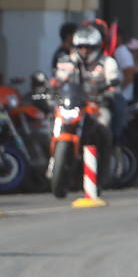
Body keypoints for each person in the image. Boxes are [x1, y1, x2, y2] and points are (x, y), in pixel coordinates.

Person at [51, 24, 121, 173]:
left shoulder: (107, 63)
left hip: (97, 105)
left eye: (88, 47)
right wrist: (50, 89)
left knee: (104, 125)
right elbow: (58, 81)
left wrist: (108, 92)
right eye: (81, 47)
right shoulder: (67, 61)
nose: (84, 51)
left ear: (97, 47)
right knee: (49, 122)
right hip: (72, 105)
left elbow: (114, 85)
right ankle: (52, 161)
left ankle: (104, 167)